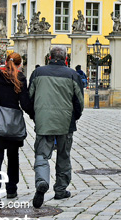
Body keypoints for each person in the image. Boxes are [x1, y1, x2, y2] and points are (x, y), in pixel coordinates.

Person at [29, 46, 84, 209]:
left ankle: (42, 181)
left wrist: (36, 115)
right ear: (65, 58)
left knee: (41, 154)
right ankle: (60, 189)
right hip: (65, 121)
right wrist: (75, 116)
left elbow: (29, 96)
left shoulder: (38, 73)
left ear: (49, 57)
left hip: (43, 120)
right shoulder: (72, 74)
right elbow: (79, 101)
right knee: (63, 156)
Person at [0, 53, 33, 209]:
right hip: (13, 122)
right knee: (13, 155)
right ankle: (11, 189)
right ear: (19, 64)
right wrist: (34, 115)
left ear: (4, 62)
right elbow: (25, 103)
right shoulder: (20, 78)